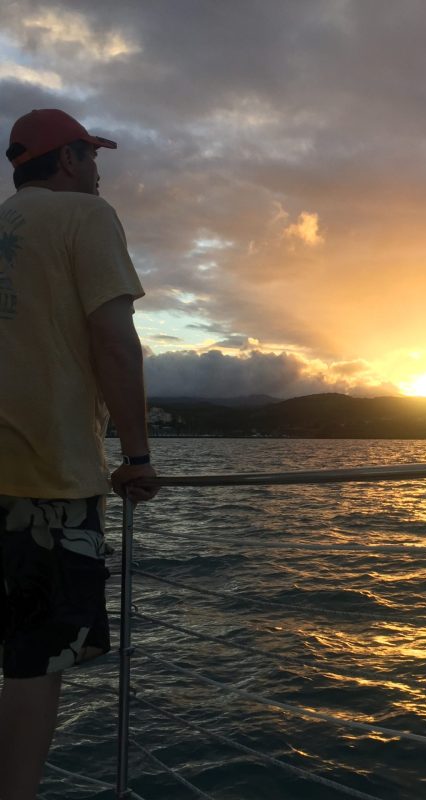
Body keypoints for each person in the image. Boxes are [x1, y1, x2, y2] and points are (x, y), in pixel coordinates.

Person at [0, 108, 157, 800]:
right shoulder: (86, 219)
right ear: (66, 160)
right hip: (45, 479)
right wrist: (139, 456)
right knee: (31, 665)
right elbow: (114, 341)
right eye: (91, 157)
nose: (98, 171)